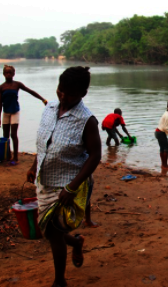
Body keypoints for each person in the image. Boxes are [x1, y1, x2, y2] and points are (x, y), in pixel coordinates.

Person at [26, 66, 102, 287]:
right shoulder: (49, 107)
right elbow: (44, 142)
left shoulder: (87, 120)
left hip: (69, 187)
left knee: (54, 232)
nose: (63, 96)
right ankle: (76, 243)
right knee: (50, 231)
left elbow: (95, 155)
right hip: (44, 181)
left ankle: (59, 281)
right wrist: (33, 165)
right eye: (60, 90)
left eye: (69, 93)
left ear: (82, 94)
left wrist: (71, 187)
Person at [0, 65, 48, 166]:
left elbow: (30, 91)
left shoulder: (17, 85)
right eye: (6, 73)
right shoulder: (1, 87)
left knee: (13, 135)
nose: (8, 74)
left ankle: (15, 157)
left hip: (15, 111)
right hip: (6, 113)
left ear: (13, 74)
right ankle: (7, 156)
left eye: (10, 72)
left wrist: (43, 99)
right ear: (3, 74)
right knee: (5, 136)